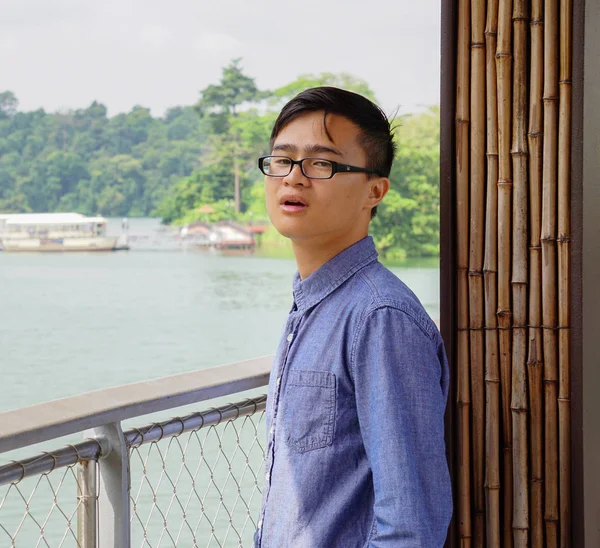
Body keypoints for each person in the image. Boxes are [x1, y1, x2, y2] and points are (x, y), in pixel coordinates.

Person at [254, 87, 452, 547]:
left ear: (374, 190)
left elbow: (411, 526)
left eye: (321, 164)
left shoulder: (380, 318)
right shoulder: (313, 302)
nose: (294, 178)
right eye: (282, 160)